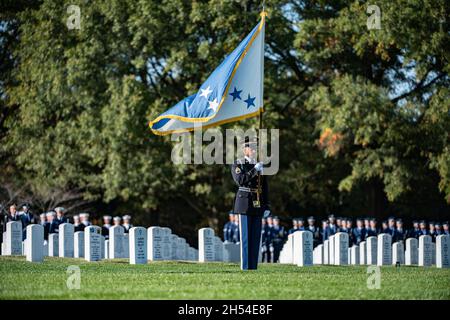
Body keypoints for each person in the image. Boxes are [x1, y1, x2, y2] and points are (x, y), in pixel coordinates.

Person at [231, 136, 270, 270]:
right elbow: (240, 180)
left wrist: (267, 205)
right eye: (251, 148)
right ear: (244, 149)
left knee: (255, 238)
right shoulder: (239, 164)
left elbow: (264, 186)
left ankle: (253, 267)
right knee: (246, 238)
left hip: (257, 203)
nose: (254, 150)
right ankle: (245, 266)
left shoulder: (258, 164)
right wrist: (255, 170)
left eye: (255, 148)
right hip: (244, 203)